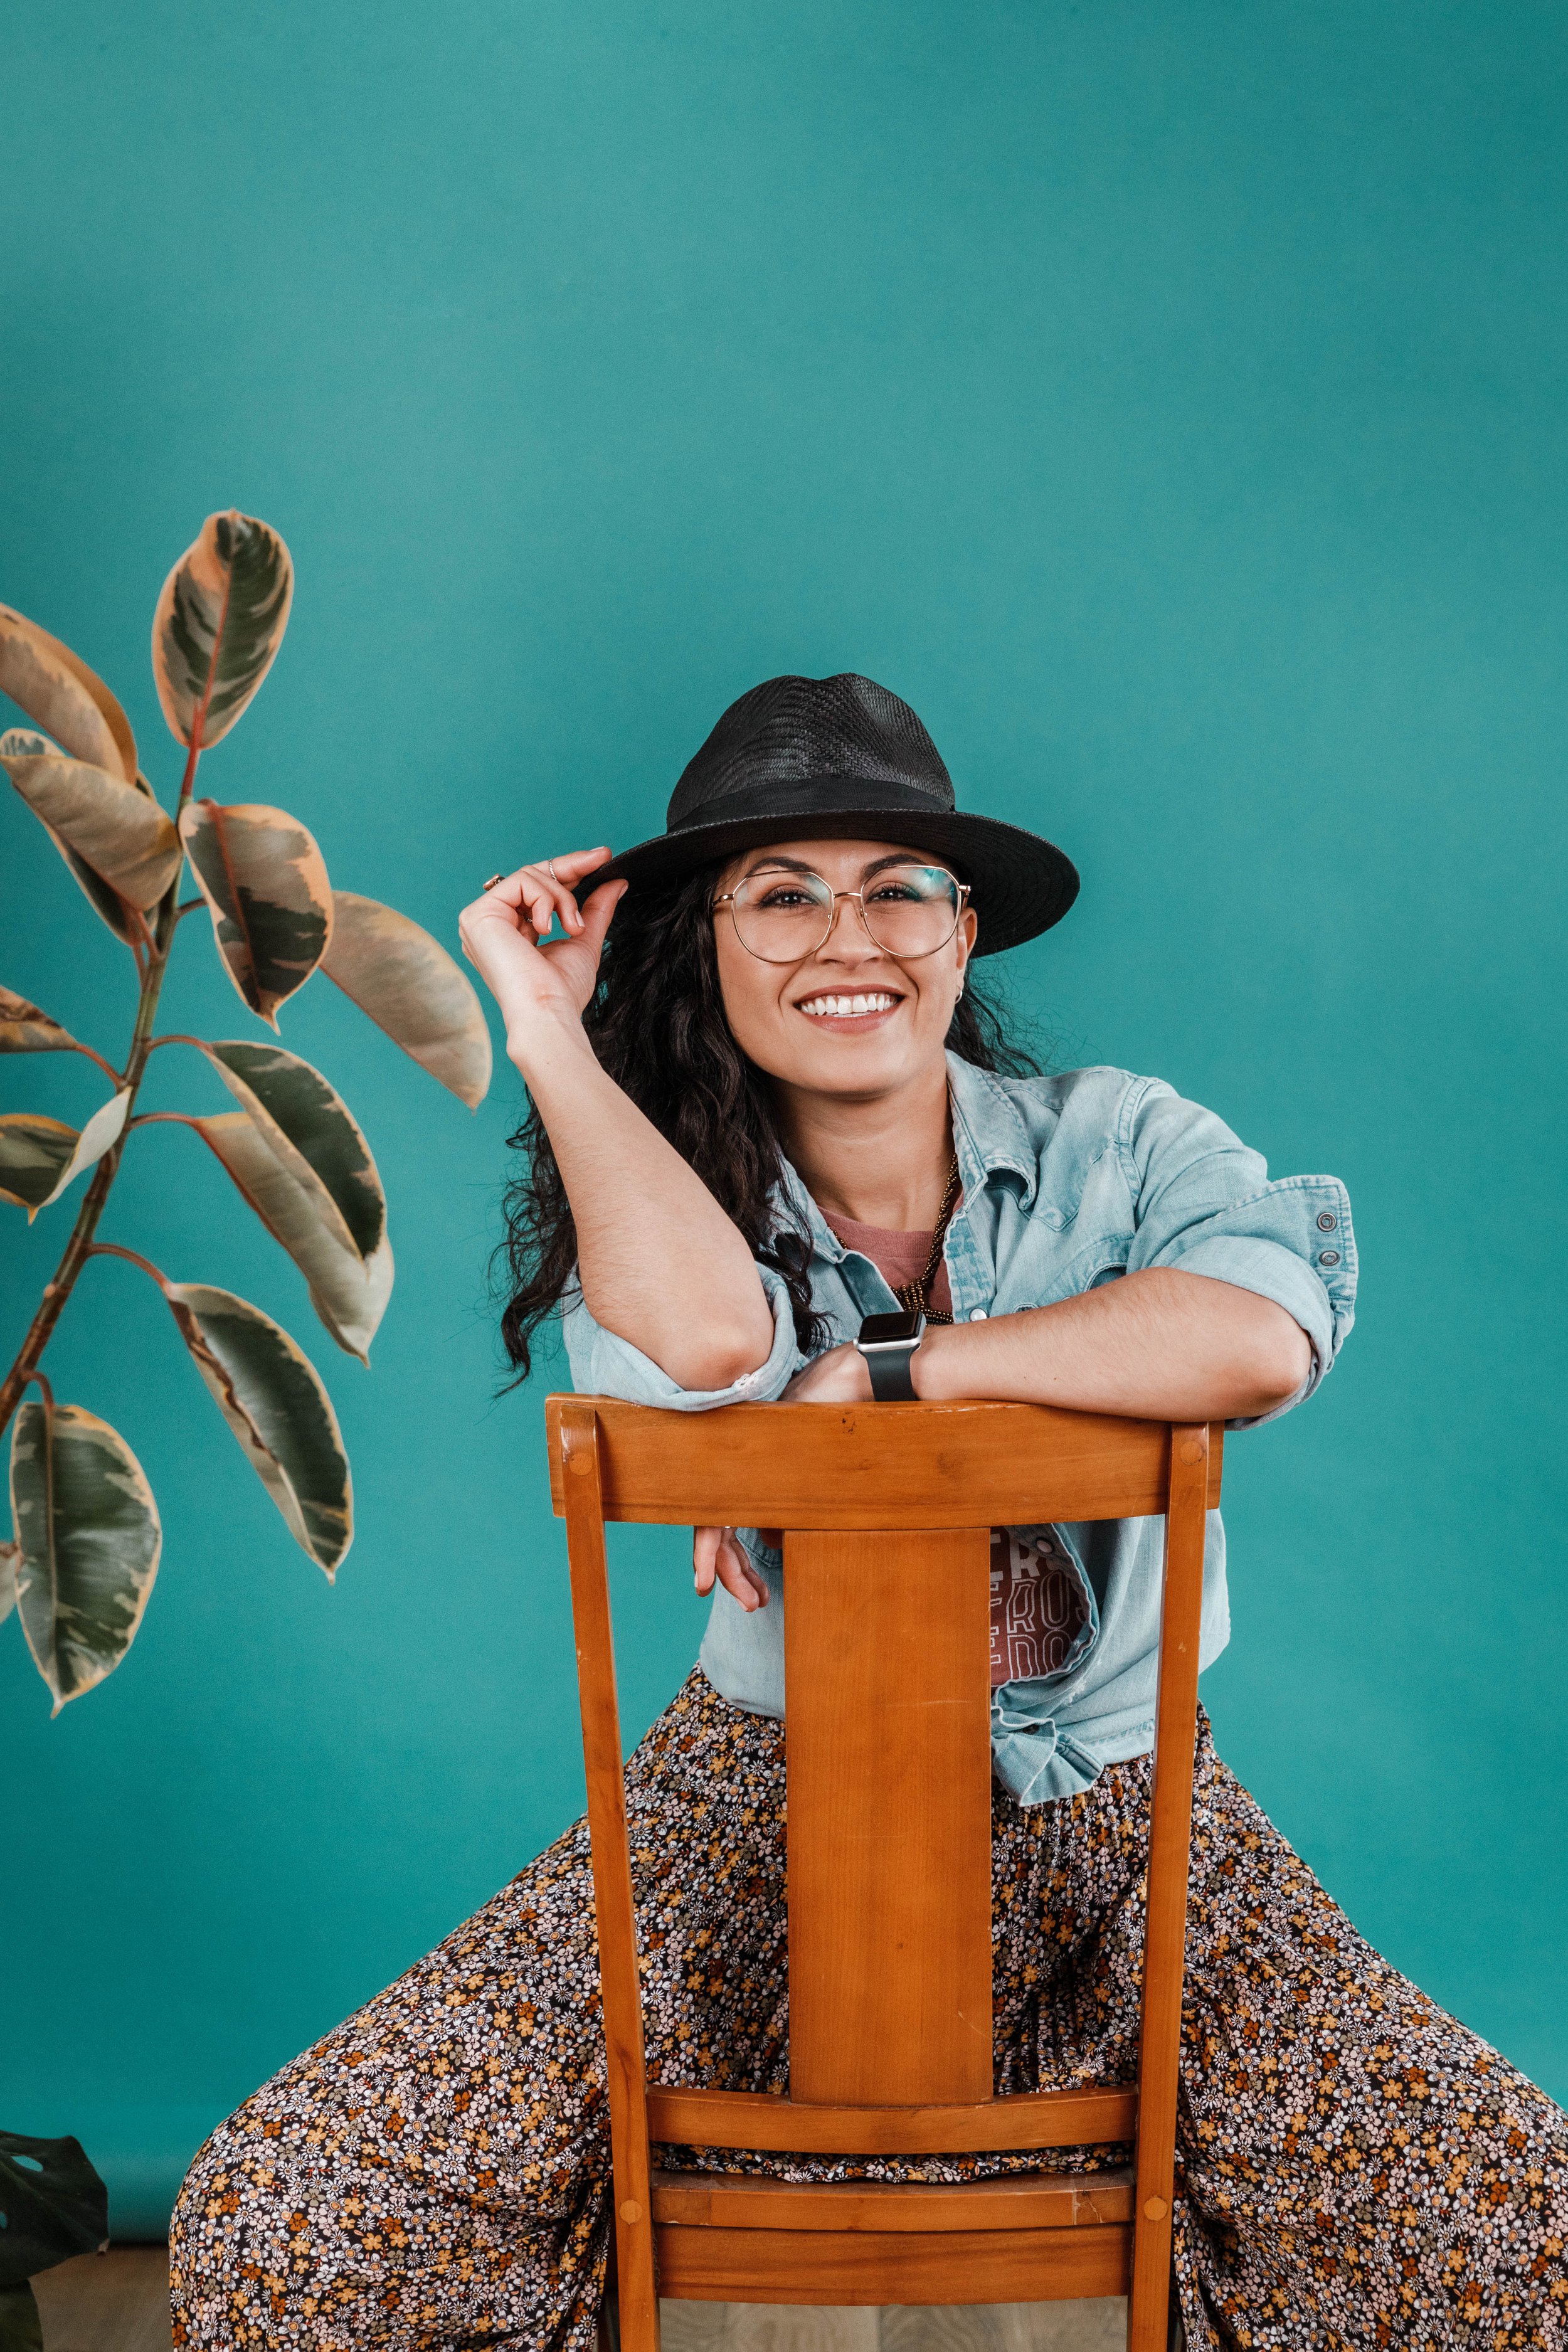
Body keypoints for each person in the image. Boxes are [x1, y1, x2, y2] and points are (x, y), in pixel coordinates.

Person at [171, 675, 1567, 2350]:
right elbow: (698, 1342)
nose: (854, 935)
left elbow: (1261, 1335)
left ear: (962, 935)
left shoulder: (1121, 1143)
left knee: (1504, 2217)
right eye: (783, 894)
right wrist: (546, 1028)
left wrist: (900, 1378)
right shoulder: (657, 1206)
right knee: (288, 2215)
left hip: (1133, 1822)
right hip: (740, 1826)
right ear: (704, 942)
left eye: (899, 886)